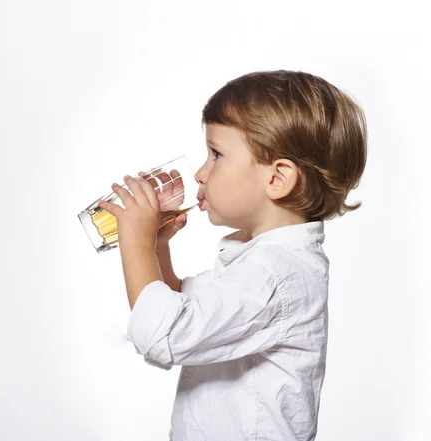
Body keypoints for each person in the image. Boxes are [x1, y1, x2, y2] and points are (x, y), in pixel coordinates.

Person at [97, 70, 367, 441]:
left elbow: (163, 334)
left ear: (277, 179)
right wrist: (157, 247)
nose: (200, 173)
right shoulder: (261, 261)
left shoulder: (275, 274)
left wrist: (136, 243)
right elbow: (186, 315)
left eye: (216, 154)